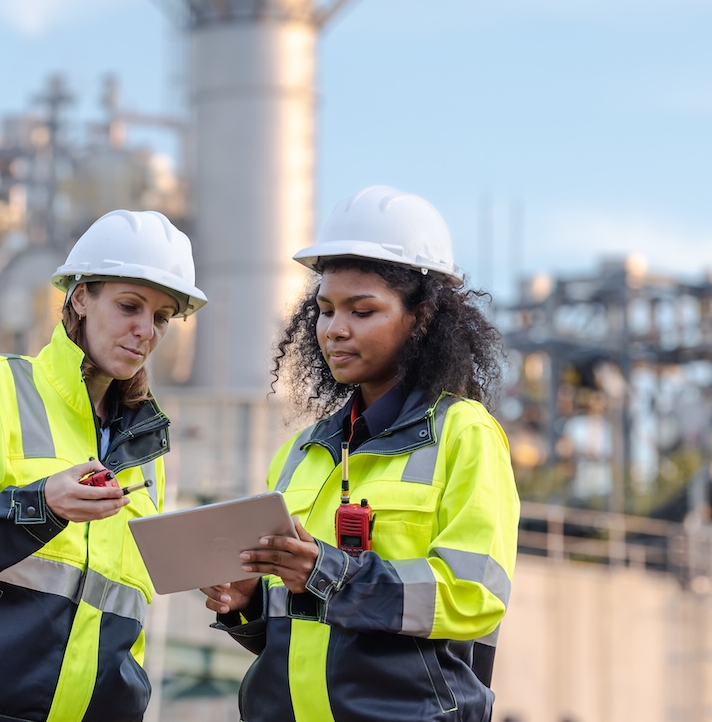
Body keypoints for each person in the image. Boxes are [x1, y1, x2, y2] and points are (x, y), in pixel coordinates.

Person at [202, 185, 519, 721]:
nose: (335, 330)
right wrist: (250, 604)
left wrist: (329, 572)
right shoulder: (301, 453)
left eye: (362, 310)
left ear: (422, 318)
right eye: (325, 310)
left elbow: (472, 596)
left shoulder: (465, 435)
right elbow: (309, 624)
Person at [0, 209, 205, 722]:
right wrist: (39, 506)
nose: (145, 331)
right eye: (129, 306)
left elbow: (130, 607)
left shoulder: (147, 447)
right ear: (80, 297)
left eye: (161, 317)